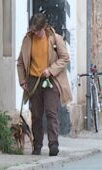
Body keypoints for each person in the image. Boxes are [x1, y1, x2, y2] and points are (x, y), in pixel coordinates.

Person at [17, 13, 71, 156]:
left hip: (51, 80)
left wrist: (51, 70)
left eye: (37, 31)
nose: (35, 33)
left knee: (51, 112)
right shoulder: (27, 40)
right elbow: (21, 62)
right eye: (33, 30)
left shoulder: (54, 38)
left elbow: (65, 58)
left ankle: (53, 144)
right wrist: (22, 80)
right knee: (36, 115)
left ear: (44, 28)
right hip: (34, 81)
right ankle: (37, 145)